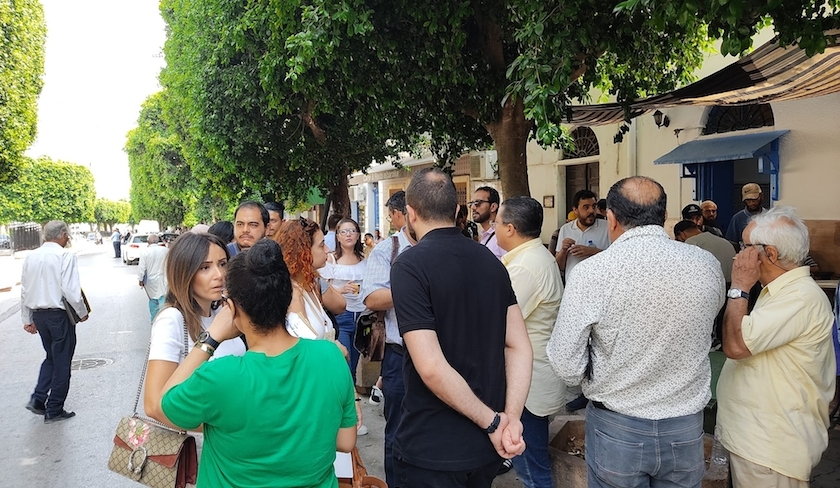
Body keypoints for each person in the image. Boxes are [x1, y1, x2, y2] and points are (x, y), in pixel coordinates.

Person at [547, 176, 725, 488]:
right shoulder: (705, 264)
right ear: (665, 216)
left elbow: (565, 363)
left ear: (611, 218)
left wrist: (593, 375)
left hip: (618, 427)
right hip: (684, 428)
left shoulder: (593, 272)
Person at [157, 239, 357, 487]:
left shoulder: (220, 376)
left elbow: (165, 402)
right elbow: (346, 441)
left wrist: (210, 340)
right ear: (287, 297)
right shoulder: (330, 356)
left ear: (231, 308)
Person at [391, 168, 532, 487]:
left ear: (410, 214)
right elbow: (519, 345)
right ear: (456, 211)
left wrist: (497, 423)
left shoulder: (410, 266)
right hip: (483, 449)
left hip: (433, 448)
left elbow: (430, 367)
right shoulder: (490, 260)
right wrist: (510, 418)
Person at [717, 206, 835, 488]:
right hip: (759, 443)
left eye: (745, 247)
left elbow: (735, 345)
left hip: (771, 446)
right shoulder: (781, 292)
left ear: (769, 253)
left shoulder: (799, 298)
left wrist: (740, 287)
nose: (738, 255)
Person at [143, 232, 247, 431]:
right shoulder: (172, 319)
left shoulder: (223, 312)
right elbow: (154, 406)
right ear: (185, 272)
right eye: (205, 267)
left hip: (233, 446)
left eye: (223, 264)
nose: (219, 275)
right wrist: (221, 427)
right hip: (196, 446)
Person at [495, 197, 564, 488]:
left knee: (532, 468)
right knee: (530, 461)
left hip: (528, 383)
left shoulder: (525, 267)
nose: (495, 228)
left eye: (498, 223)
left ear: (509, 229)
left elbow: (498, 322)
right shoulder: (533, 257)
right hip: (534, 375)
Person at [274, 218, 365, 435]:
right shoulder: (291, 294)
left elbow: (340, 307)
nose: (327, 250)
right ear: (304, 251)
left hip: (324, 395)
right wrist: (334, 350)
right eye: (321, 244)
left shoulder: (311, 286)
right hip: (306, 403)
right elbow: (303, 347)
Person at [360, 190, 416, 487]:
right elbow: (371, 298)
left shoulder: (444, 247)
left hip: (445, 354)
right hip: (400, 356)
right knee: (398, 428)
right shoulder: (387, 251)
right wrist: (416, 291)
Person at [22, 221, 89, 423]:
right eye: (67, 234)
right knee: (62, 362)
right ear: (61, 234)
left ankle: (38, 398)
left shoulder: (30, 257)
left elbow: (25, 290)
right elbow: (71, 290)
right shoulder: (65, 255)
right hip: (59, 316)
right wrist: (82, 311)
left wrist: (27, 319)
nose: (68, 238)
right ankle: (54, 408)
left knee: (51, 357)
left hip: (39, 315)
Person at [319, 218, 367, 387]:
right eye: (343, 232)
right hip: (341, 315)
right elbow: (320, 289)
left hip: (362, 316)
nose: (348, 235)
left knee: (354, 364)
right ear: (337, 236)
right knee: (343, 362)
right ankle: (349, 401)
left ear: (358, 235)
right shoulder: (330, 260)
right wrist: (340, 290)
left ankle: (352, 402)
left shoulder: (365, 259)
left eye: (352, 231)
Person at [551, 189, 610, 281]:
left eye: (594, 206)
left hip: (600, 286)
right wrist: (563, 250)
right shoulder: (565, 229)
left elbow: (615, 259)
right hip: (573, 287)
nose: (591, 211)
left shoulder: (607, 227)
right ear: (575, 210)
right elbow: (559, 266)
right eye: (586, 207)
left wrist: (593, 251)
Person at [138, 233, 169, 322]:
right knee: (163, 299)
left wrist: (140, 280)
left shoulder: (145, 252)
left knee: (153, 301)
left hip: (151, 281)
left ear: (148, 242)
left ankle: (155, 321)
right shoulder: (166, 250)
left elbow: (142, 269)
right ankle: (164, 320)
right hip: (165, 279)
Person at [470, 186, 506, 259]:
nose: (473, 207)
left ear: (493, 207)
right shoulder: (484, 235)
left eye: (478, 203)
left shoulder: (501, 235)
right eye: (471, 204)